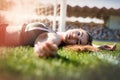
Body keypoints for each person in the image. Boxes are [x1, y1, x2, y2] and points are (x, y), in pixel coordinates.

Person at [0, 22, 116, 58]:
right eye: (79, 33)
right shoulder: (55, 31)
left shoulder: (54, 37)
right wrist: (96, 47)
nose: (75, 37)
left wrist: (46, 47)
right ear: (78, 28)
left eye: (78, 41)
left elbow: (48, 41)